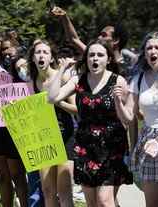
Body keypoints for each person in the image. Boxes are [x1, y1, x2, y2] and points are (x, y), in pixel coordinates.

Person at [47, 40, 133, 207]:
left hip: (111, 145)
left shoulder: (118, 80)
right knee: (92, 203)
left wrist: (118, 102)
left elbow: (127, 118)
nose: (95, 58)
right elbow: (52, 97)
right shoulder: (78, 80)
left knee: (104, 201)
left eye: (100, 55)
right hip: (86, 145)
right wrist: (62, 69)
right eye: (91, 55)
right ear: (86, 59)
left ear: (108, 59)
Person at [113, 31, 158, 207]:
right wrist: (118, 101)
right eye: (149, 48)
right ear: (144, 53)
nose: (153, 51)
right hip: (149, 141)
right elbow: (129, 117)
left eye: (157, 47)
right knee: (154, 203)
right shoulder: (138, 80)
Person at [28, 39, 76, 207]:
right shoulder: (32, 82)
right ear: (33, 58)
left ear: (51, 58)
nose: (41, 55)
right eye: (38, 52)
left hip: (65, 135)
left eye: (45, 52)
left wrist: (57, 101)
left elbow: (77, 109)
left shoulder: (62, 77)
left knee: (64, 192)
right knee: (48, 190)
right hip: (45, 139)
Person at [0, 38, 28, 207]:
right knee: (2, 175)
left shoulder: (23, 70)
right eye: (4, 49)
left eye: (10, 49)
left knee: (17, 175)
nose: (6, 52)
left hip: (17, 129)